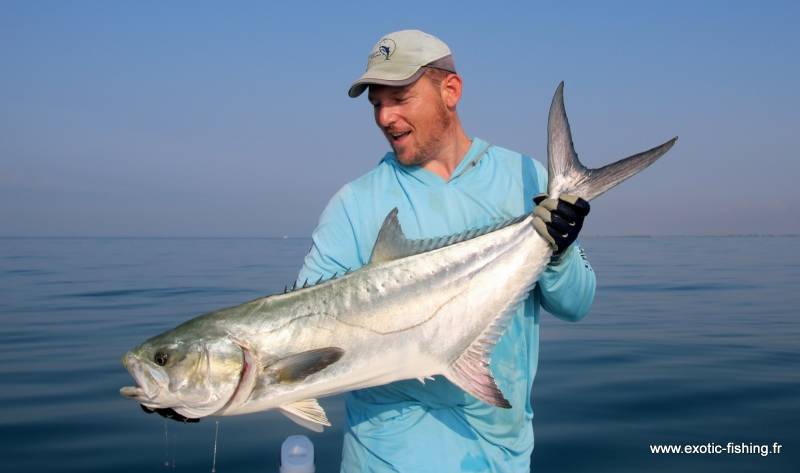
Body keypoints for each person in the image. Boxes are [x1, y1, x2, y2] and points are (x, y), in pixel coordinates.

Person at [297, 29, 596, 473]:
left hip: (501, 455)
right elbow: (302, 335)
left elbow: (577, 304)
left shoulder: (526, 177)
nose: (384, 117)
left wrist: (562, 252)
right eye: (376, 103)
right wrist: (188, 393)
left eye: (399, 97)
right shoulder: (355, 204)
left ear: (450, 91)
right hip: (385, 457)